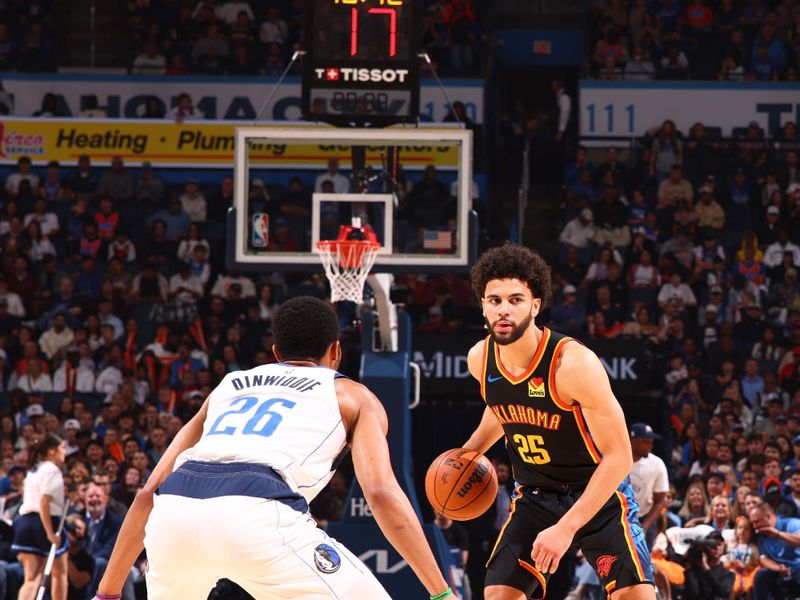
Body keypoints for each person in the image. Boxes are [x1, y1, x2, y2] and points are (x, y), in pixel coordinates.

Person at [94, 296, 452, 599]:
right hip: (257, 513)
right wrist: (442, 592)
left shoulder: (231, 384)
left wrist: (106, 593)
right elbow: (380, 492)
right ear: (336, 351)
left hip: (173, 514)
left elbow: (147, 492)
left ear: (276, 352)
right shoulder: (353, 395)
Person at [461, 243, 655, 599]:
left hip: (597, 495)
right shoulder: (481, 358)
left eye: (516, 299)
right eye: (495, 300)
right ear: (483, 306)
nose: (503, 309)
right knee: (499, 595)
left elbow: (620, 456)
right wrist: (468, 454)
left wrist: (566, 528)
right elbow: (500, 408)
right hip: (535, 497)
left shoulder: (574, 365)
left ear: (535, 305)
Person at [11, 433, 67, 600]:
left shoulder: (34, 470)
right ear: (51, 451)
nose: (64, 452)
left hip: (25, 521)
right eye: (62, 448)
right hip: (46, 521)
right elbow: (44, 501)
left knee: (32, 579)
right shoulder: (52, 469)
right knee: (60, 575)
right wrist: (50, 533)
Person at [628, 423, 670, 546]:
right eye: (646, 442)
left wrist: (645, 526)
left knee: (643, 563)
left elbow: (660, 501)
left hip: (642, 518)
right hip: (616, 519)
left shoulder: (657, 464)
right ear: (633, 440)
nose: (650, 445)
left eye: (651, 442)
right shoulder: (617, 459)